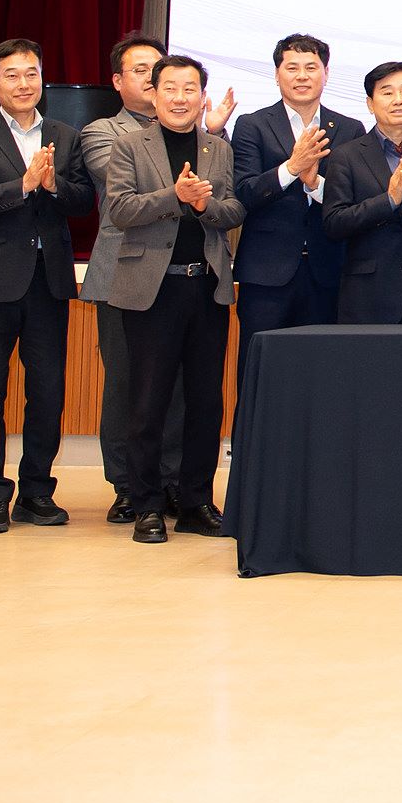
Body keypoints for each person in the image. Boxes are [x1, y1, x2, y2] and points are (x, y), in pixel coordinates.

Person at [0, 36, 93, 533]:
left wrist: (52, 185)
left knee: (47, 393)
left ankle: (36, 492)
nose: (24, 83)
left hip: (48, 282)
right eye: (12, 75)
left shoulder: (65, 136)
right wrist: (23, 186)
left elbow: (83, 202)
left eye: (32, 73)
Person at [100, 55, 245, 544]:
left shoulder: (216, 148)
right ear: (154, 93)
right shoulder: (129, 145)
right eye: (170, 88)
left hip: (205, 287)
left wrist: (204, 205)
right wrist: (175, 196)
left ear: (202, 96)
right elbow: (120, 209)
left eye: (190, 89)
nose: (180, 98)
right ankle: (146, 504)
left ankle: (196, 501)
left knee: (205, 401)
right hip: (151, 291)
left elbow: (233, 209)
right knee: (147, 402)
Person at [79, 34, 203, 524]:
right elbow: (129, 186)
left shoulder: (196, 138)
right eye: (141, 71)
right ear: (118, 81)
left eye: (160, 71)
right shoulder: (102, 133)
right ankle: (127, 485)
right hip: (123, 277)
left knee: (175, 387)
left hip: (180, 279)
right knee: (127, 385)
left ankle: (168, 481)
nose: (153, 81)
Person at [231, 33, 363, 386]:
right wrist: (292, 168)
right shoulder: (252, 124)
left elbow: (353, 200)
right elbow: (244, 192)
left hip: (328, 270)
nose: (302, 76)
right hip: (266, 273)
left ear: (326, 73)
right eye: (292, 68)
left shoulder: (349, 129)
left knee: (322, 374)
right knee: (260, 374)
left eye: (311, 67)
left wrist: (313, 183)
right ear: (277, 75)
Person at [321, 61, 402, 324]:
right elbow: (334, 223)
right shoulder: (347, 155)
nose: (398, 100)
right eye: (387, 92)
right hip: (370, 294)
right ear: (370, 103)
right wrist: (388, 200)